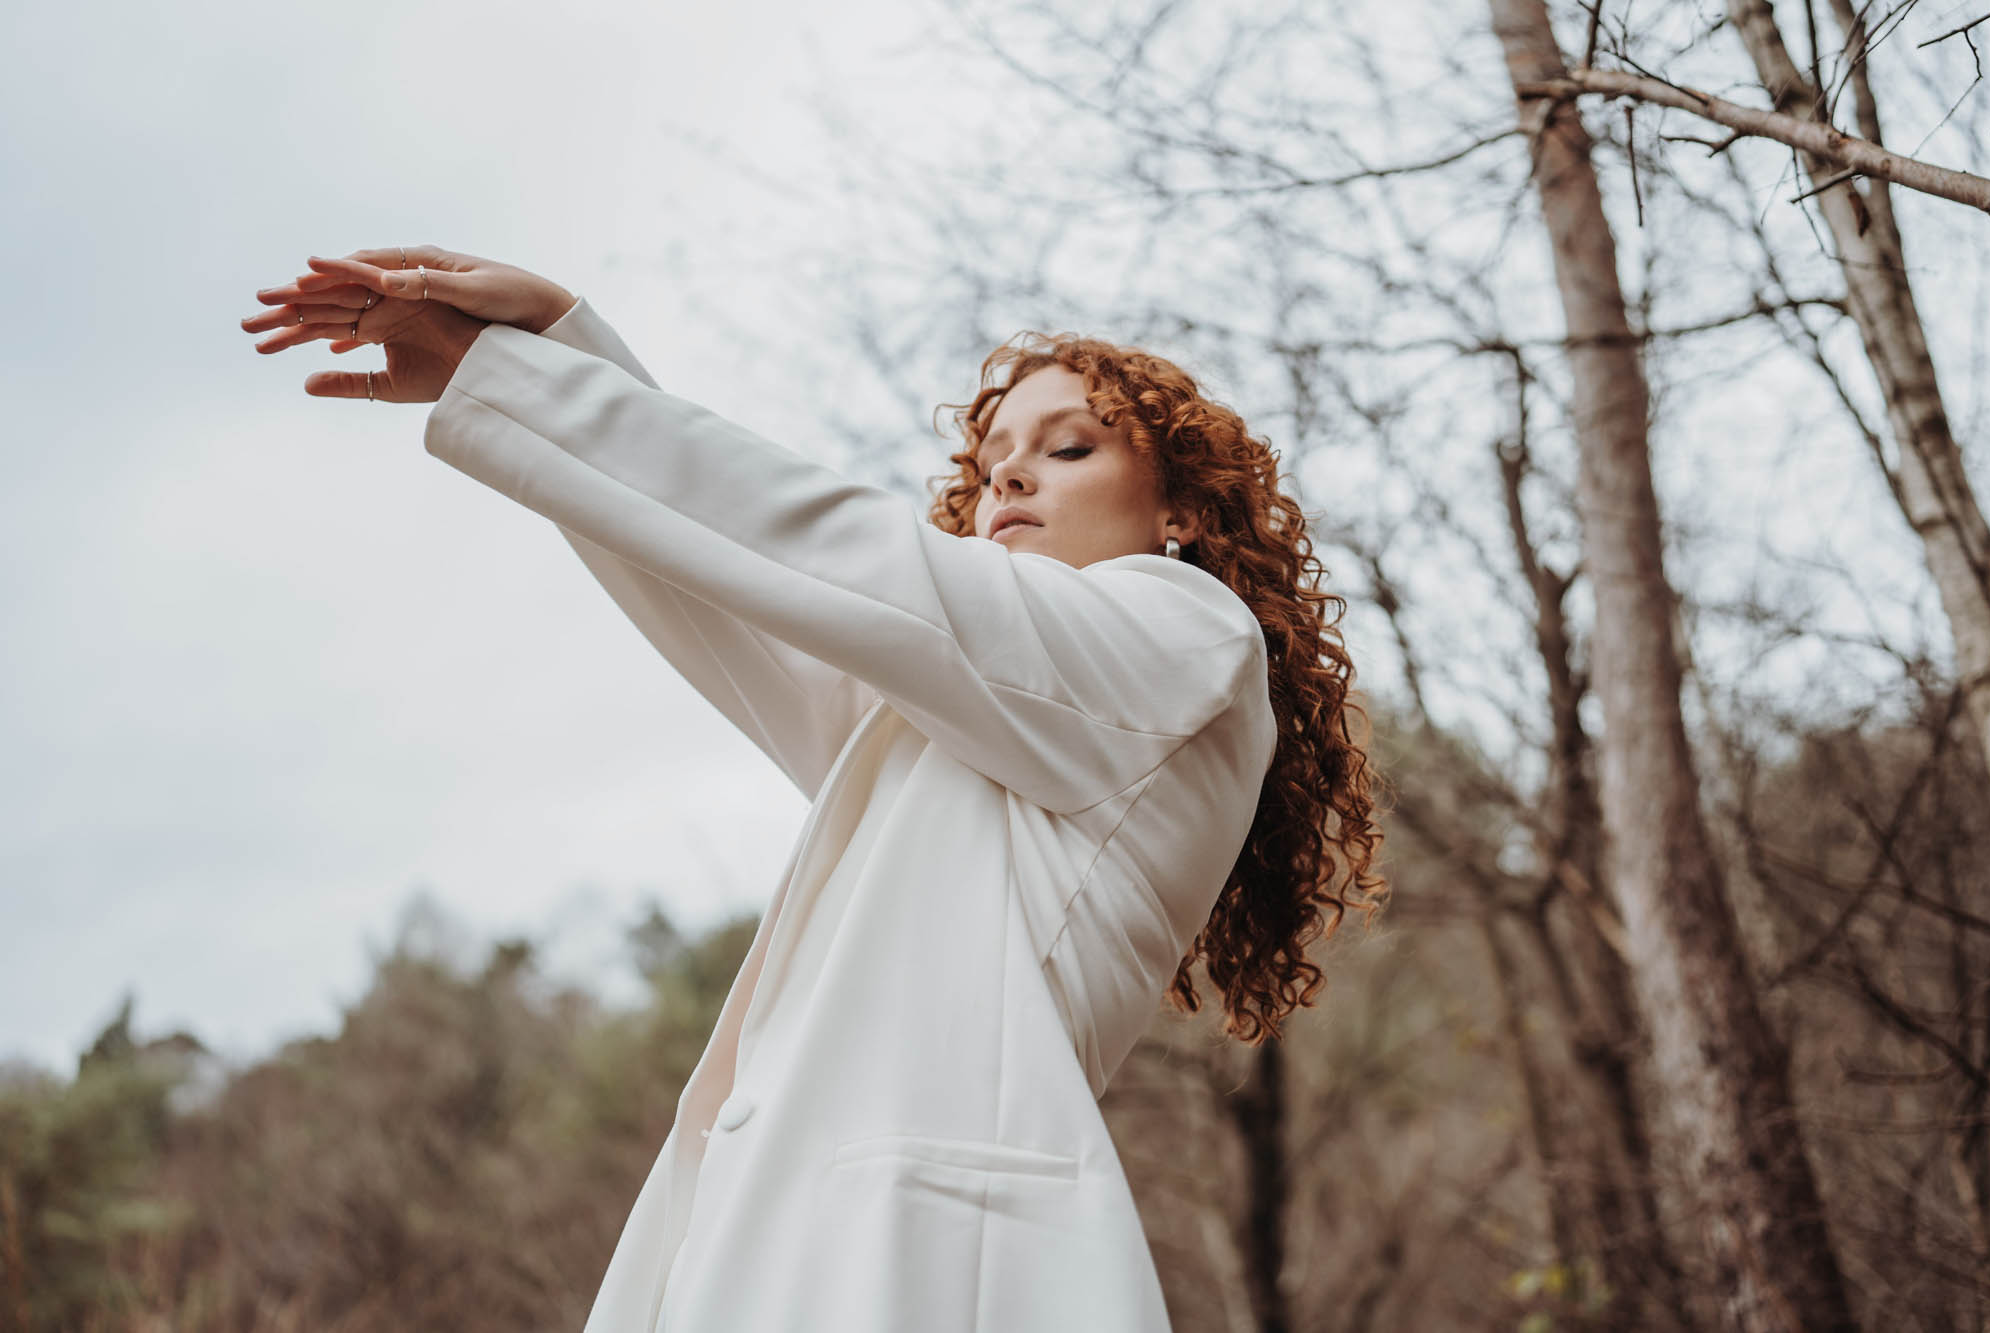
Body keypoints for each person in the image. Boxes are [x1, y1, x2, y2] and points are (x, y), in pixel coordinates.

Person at [241, 246, 1389, 1331]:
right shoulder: (953, 712)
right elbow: (745, 590)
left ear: (1180, 513)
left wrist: (528, 377)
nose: (1011, 480)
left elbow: (854, 565)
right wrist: (553, 346)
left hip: (928, 1265)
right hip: (781, 1245)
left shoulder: (1186, 636)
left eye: (1069, 448)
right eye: (991, 468)